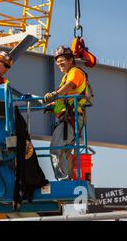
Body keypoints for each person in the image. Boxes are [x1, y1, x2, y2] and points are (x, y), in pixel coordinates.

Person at [43, 46, 91, 181]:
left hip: (71, 118)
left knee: (55, 149)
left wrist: (54, 94)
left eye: (62, 61)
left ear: (71, 60)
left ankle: (63, 180)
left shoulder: (75, 72)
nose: (59, 64)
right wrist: (53, 105)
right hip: (70, 117)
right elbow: (67, 97)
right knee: (64, 150)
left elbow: (69, 86)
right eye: (57, 62)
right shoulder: (67, 75)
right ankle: (67, 179)